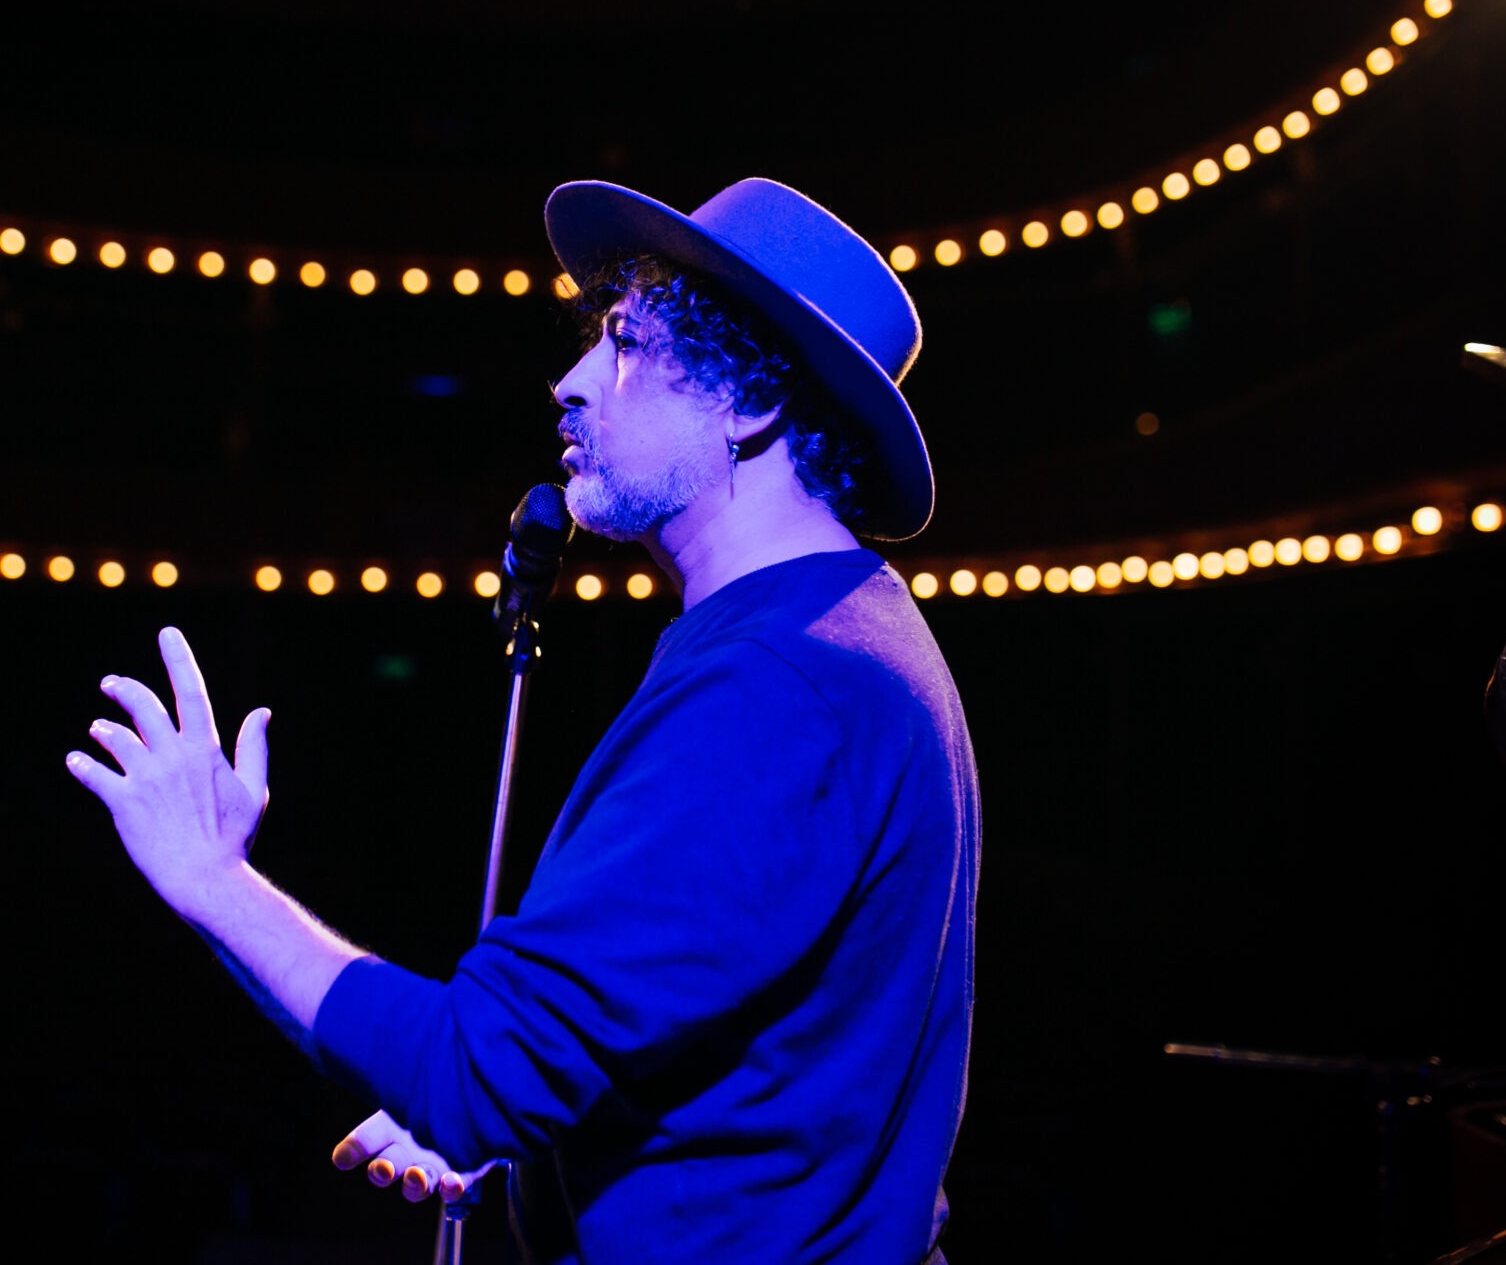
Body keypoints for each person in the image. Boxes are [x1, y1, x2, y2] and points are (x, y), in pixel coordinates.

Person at [66, 178, 980, 1263]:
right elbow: (743, 1064)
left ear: (747, 402)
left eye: (627, 345)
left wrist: (210, 878)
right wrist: (543, 1128)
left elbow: (473, 1074)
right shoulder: (840, 632)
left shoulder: (778, 690)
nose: (571, 383)